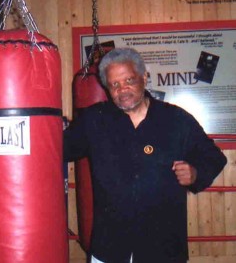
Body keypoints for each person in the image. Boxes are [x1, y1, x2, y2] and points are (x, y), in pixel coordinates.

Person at [64, 48, 227, 263]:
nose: (123, 90)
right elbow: (60, 148)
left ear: (144, 77)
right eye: (115, 84)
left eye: (129, 80)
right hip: (110, 248)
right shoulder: (94, 120)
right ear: (106, 87)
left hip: (163, 248)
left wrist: (196, 173)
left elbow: (214, 158)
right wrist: (47, 125)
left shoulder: (175, 119)